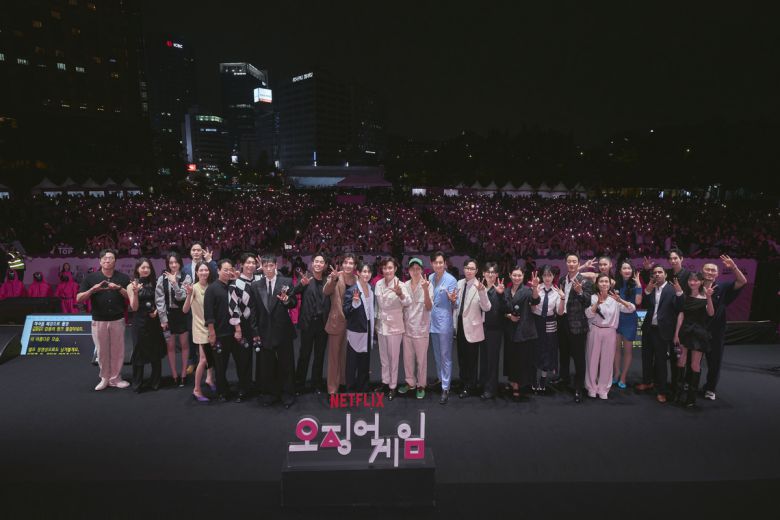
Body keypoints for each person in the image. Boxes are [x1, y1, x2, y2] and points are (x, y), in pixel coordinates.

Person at [76, 249, 131, 391]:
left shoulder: (123, 278)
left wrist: (119, 288)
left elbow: (131, 297)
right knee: (101, 351)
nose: (107, 260)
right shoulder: (90, 278)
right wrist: (92, 290)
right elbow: (79, 298)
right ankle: (104, 378)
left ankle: (116, 378)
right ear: (100, 261)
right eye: (104, 258)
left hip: (117, 319)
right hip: (98, 320)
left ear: (115, 261)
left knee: (118, 351)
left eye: (110, 258)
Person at [249, 254, 297, 407]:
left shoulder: (286, 282)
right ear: (262, 268)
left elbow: (294, 303)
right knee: (267, 365)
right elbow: (253, 310)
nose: (269, 269)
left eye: (271, 266)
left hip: (283, 330)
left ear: (276, 266)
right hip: (264, 330)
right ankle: (270, 393)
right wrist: (255, 331)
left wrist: (287, 300)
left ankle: (287, 394)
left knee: (286, 364)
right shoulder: (255, 285)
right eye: (266, 266)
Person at [701, 255, 747, 400]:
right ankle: (689, 384)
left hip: (716, 332)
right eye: (707, 269)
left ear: (717, 273)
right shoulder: (694, 286)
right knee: (692, 361)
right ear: (702, 271)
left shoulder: (723, 287)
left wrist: (733, 267)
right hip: (697, 330)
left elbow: (742, 281)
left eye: (713, 270)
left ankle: (710, 389)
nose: (710, 272)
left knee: (714, 362)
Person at [636, 265, 684, 403]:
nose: (657, 274)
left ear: (665, 275)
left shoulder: (672, 289)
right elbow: (644, 305)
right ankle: (647, 382)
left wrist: (680, 293)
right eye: (655, 272)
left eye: (660, 272)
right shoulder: (651, 287)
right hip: (648, 328)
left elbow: (680, 308)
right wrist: (647, 291)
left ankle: (661, 390)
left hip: (662, 331)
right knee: (646, 357)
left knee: (661, 361)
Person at [584, 274, 636, 400]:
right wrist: (597, 303)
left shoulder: (615, 299)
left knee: (607, 361)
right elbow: (588, 314)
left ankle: (603, 388)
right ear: (597, 284)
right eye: (601, 281)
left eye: (606, 281)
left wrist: (620, 300)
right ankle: (591, 387)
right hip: (595, 330)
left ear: (610, 284)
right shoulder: (592, 297)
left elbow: (632, 308)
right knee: (592, 359)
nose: (604, 284)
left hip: (610, 332)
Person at [672, 272, 715, 407]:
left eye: (696, 280)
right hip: (684, 332)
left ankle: (691, 398)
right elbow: (681, 315)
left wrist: (709, 297)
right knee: (681, 361)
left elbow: (711, 313)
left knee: (695, 365)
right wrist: (676, 333)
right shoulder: (684, 296)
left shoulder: (705, 296)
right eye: (691, 280)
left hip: (699, 334)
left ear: (701, 282)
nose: (693, 282)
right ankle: (677, 394)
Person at [557, 253, 593, 403]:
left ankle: (578, 387)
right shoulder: (561, 280)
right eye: (569, 261)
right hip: (562, 322)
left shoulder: (585, 281)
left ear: (578, 264)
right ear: (566, 263)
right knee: (563, 354)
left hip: (577, 324)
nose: (571, 264)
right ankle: (564, 379)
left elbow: (588, 302)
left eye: (574, 261)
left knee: (578, 358)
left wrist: (579, 292)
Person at [292, 253, 330, 394]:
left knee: (319, 355)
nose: (318, 264)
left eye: (321, 262)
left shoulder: (327, 280)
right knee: (304, 354)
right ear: (312, 263)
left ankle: (316, 384)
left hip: (322, 323)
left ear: (325, 265)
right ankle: (299, 384)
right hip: (308, 323)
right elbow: (294, 292)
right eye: (316, 261)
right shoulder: (306, 277)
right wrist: (301, 284)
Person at [374, 257, 411, 400]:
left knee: (393, 358)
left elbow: (408, 302)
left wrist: (400, 294)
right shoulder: (378, 284)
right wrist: (376, 323)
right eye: (384, 268)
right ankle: (385, 382)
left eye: (390, 268)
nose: (387, 271)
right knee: (383, 357)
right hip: (381, 326)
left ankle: (393, 386)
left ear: (395, 269)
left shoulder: (400, 285)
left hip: (395, 326)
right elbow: (378, 306)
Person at [127, 258, 166, 393]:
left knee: (156, 351)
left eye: (148, 267)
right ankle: (137, 383)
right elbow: (134, 307)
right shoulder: (132, 285)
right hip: (139, 322)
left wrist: (157, 311)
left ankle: (156, 382)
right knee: (139, 352)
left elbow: (161, 302)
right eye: (143, 267)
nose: (145, 270)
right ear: (137, 269)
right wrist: (135, 293)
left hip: (154, 322)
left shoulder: (156, 283)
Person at [454, 258, 491, 399]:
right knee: (461, 357)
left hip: (473, 328)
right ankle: (463, 381)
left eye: (472, 269)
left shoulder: (480, 286)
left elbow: (487, 307)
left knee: (471, 359)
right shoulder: (459, 283)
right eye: (467, 268)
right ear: (463, 269)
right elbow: (457, 304)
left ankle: (470, 385)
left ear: (476, 271)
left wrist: (482, 292)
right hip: (460, 326)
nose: (469, 271)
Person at [503, 266, 541, 400]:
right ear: (510, 275)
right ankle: (512, 381)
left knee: (521, 359)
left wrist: (535, 288)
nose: (517, 278)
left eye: (519, 275)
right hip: (510, 331)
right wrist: (509, 316)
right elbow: (502, 309)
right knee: (511, 358)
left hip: (523, 331)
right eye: (514, 275)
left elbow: (535, 300)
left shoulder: (527, 290)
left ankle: (518, 385)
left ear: (523, 276)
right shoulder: (506, 291)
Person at [227, 252, 259, 403]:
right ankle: (244, 388)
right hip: (244, 325)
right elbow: (233, 308)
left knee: (262, 356)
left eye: (253, 263)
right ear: (241, 264)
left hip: (259, 324)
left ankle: (261, 385)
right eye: (248, 263)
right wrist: (237, 328)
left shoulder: (259, 280)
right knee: (244, 358)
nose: (251, 265)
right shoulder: (235, 284)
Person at [155, 252, 192, 387]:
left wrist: (175, 283)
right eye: (171, 263)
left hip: (182, 314)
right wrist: (163, 319)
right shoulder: (162, 278)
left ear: (180, 263)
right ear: (167, 264)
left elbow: (181, 297)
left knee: (184, 345)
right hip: (168, 316)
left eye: (176, 262)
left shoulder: (186, 277)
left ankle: (183, 374)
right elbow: (159, 300)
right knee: (170, 347)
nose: (173, 265)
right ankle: (174, 375)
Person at [323, 253, 358, 396]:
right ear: (342, 264)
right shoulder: (335, 276)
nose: (348, 265)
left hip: (352, 323)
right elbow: (326, 291)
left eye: (351, 263)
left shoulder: (357, 279)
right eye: (346, 262)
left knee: (346, 356)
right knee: (334, 358)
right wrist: (333, 279)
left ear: (355, 266)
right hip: (337, 322)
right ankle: (332, 389)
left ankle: (343, 382)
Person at [182, 261, 216, 402]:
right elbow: (185, 310)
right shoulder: (194, 288)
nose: (203, 272)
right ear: (196, 272)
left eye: (206, 270)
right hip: (200, 328)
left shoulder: (212, 287)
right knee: (203, 359)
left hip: (212, 326)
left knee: (211, 356)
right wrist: (189, 294)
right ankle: (196, 389)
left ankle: (209, 379)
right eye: (201, 270)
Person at [204, 259, 238, 401]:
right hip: (219, 334)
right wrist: (212, 333)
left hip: (233, 332)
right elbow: (209, 313)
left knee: (236, 362)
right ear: (218, 270)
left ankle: (233, 388)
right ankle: (222, 392)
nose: (228, 272)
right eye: (225, 269)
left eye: (230, 269)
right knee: (220, 365)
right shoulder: (212, 289)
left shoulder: (232, 286)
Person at [399, 257, 432, 400]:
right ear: (409, 271)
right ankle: (410, 383)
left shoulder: (427, 285)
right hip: (407, 329)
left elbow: (429, 307)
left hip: (421, 329)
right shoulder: (404, 285)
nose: (415, 271)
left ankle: (421, 385)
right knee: (407, 359)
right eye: (412, 269)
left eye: (418, 269)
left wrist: (425, 290)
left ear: (422, 270)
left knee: (421, 360)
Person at [428, 251, 458, 404]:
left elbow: (456, 303)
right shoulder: (430, 278)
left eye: (441, 262)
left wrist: (453, 300)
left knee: (445, 355)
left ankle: (446, 387)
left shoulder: (451, 280)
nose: (438, 265)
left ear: (445, 263)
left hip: (445, 322)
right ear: (432, 264)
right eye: (435, 262)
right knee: (437, 354)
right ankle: (440, 378)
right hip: (432, 321)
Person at [183, 242, 216, 375]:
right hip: (191, 304)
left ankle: (208, 367)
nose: (196, 252)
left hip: (206, 308)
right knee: (192, 336)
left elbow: (216, 274)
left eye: (198, 250)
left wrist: (210, 260)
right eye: (193, 250)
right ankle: (192, 361)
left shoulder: (208, 266)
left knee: (209, 342)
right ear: (190, 252)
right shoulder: (185, 268)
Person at [531, 265, 564, 393]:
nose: (547, 278)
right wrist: (534, 289)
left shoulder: (557, 292)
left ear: (553, 276)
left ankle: (543, 378)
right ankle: (533, 377)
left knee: (547, 350)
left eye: (549, 275)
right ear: (541, 276)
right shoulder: (536, 288)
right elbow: (533, 308)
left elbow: (560, 313)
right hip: (536, 320)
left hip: (550, 321)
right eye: (545, 275)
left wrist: (562, 298)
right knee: (535, 349)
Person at [343, 263, 375, 392]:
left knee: (364, 361)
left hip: (367, 327)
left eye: (369, 272)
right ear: (358, 273)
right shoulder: (352, 290)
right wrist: (355, 303)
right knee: (352, 362)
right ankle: (350, 389)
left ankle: (363, 387)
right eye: (364, 271)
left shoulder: (371, 289)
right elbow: (346, 311)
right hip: (355, 329)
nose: (366, 274)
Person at [613, 261, 643, 389]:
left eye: (629, 268)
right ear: (620, 271)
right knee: (616, 349)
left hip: (630, 320)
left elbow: (638, 302)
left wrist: (639, 285)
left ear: (632, 270)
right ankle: (616, 373)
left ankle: (623, 376)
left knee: (628, 350)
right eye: (624, 268)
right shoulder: (615, 284)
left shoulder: (635, 284)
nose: (627, 270)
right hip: (617, 318)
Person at [479, 262, 506, 400]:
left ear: (497, 275)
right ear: (483, 273)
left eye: (493, 272)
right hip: (480, 328)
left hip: (494, 329)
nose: (490, 274)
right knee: (483, 358)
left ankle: (491, 388)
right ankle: (483, 384)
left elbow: (506, 308)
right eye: (488, 272)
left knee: (492, 360)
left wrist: (501, 295)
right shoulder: (480, 288)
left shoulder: (500, 290)